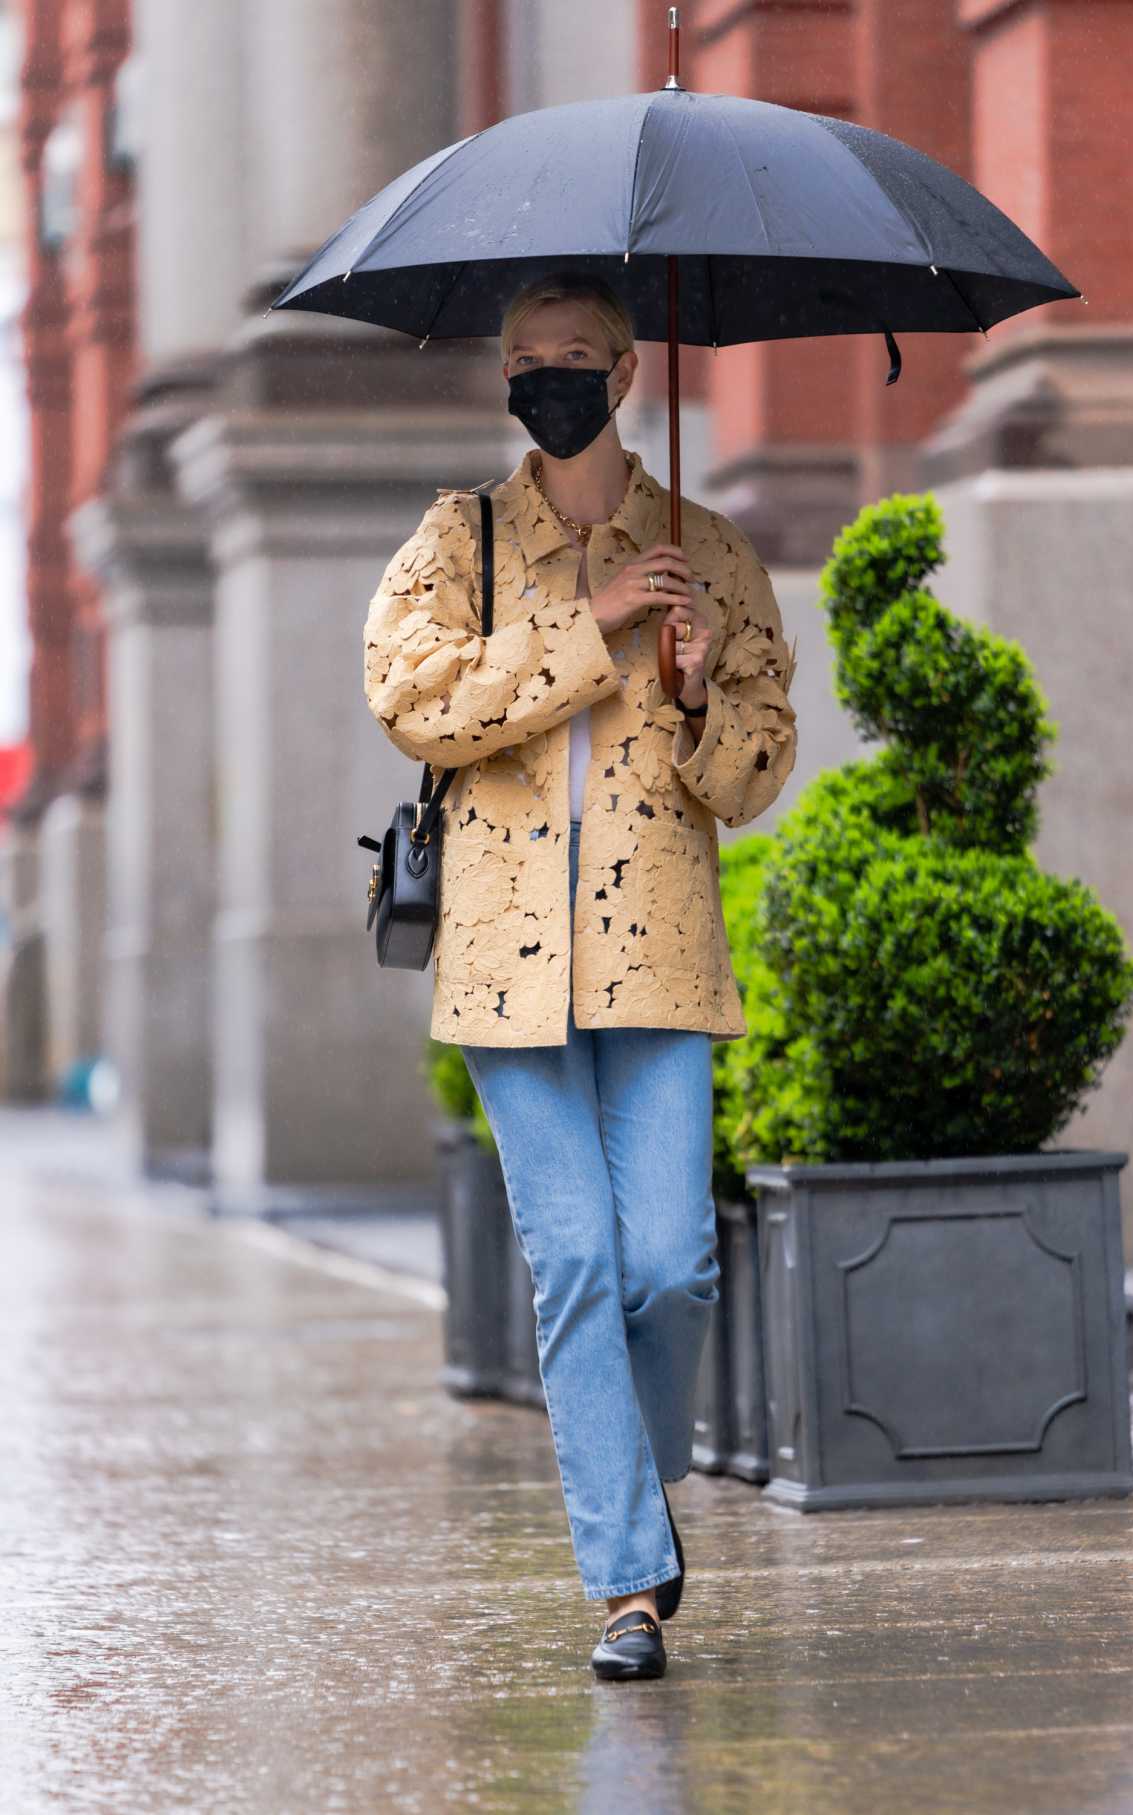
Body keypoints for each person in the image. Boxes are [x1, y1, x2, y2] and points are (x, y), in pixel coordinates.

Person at [364, 270, 798, 1681]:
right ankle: (625, 1583)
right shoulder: (458, 540)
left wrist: (685, 693)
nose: (541, 377)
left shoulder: (712, 550)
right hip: (503, 966)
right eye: (521, 359)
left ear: (622, 375)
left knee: (667, 1268)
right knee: (573, 1266)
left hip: (659, 957)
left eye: (570, 358)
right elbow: (413, 705)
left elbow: (756, 767)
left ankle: (637, 1502)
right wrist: (591, 622)